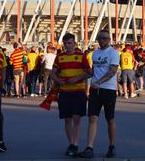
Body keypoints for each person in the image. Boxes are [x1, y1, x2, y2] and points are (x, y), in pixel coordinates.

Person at [79, 30, 120, 159]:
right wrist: (78, 77)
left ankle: (112, 146)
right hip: (95, 91)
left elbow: (112, 71)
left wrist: (99, 82)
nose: (102, 40)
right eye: (100, 38)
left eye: (104, 38)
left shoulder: (113, 53)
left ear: (109, 40)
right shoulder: (95, 54)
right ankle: (89, 147)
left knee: (110, 119)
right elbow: (93, 71)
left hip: (108, 90)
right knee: (92, 118)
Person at [50, 33, 92, 157]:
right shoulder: (59, 57)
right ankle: (71, 144)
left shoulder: (81, 56)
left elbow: (89, 73)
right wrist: (58, 81)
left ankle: (75, 143)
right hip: (64, 92)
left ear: (74, 44)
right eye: (65, 43)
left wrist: (77, 78)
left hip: (78, 91)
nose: (67, 46)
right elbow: (52, 73)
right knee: (67, 119)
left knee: (77, 118)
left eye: (70, 43)